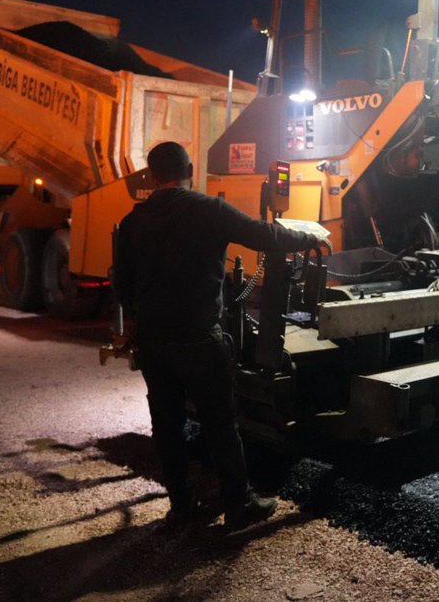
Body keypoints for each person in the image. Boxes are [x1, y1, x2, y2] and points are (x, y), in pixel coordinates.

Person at [113, 141, 328, 528]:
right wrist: (309, 238)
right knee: (220, 423)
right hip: (199, 338)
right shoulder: (207, 210)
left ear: (151, 176)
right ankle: (238, 504)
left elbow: (122, 284)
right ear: (189, 171)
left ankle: (181, 505)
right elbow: (266, 236)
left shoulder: (132, 221)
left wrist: (136, 323)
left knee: (167, 424)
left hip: (154, 342)